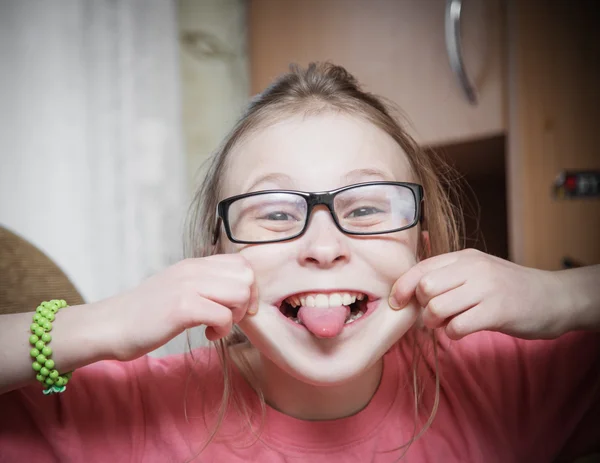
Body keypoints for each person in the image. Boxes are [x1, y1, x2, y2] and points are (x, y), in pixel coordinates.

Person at [1, 63, 599, 463]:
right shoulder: (130, 411)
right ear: (218, 256)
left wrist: (563, 296)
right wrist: (104, 323)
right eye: (275, 213)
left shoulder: (506, 381)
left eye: (367, 208)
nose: (322, 245)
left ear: (422, 241)